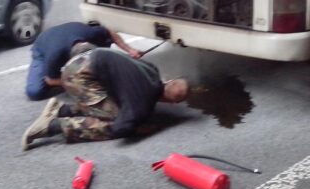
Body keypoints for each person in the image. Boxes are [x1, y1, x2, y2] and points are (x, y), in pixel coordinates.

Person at [21, 44, 189, 150]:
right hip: (77, 75)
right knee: (113, 120)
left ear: (169, 81)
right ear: (172, 103)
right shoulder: (141, 103)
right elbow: (120, 128)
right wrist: (138, 129)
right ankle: (52, 126)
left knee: (112, 104)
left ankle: (61, 109)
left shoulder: (152, 69)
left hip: (84, 57)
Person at [24, 21, 141, 101]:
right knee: (35, 92)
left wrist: (130, 50)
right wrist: (77, 82)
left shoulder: (93, 34)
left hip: (72, 32)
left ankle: (92, 68)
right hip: (43, 45)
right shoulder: (55, 55)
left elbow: (110, 33)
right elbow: (50, 80)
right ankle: (70, 75)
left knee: (104, 46)